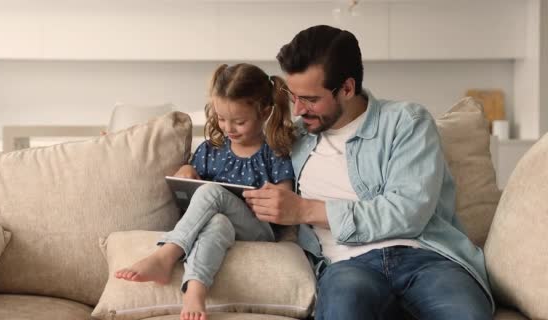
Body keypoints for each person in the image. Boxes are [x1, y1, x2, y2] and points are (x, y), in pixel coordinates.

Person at [243, 25, 494, 320]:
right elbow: (238, 168)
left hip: (425, 258)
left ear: (347, 89)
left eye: (310, 99)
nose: (298, 110)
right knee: (343, 310)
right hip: (347, 266)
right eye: (292, 95)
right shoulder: (291, 141)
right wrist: (192, 170)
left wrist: (305, 210)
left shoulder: (406, 122)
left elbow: (407, 212)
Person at [115, 63, 295, 320]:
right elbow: (191, 195)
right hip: (223, 228)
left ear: (264, 112)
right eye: (222, 119)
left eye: (240, 121)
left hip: (258, 229)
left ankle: (166, 254)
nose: (228, 128)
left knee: (212, 192)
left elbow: (284, 203)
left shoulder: (274, 152)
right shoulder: (212, 149)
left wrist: (267, 198)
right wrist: (186, 171)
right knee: (218, 221)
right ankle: (195, 292)